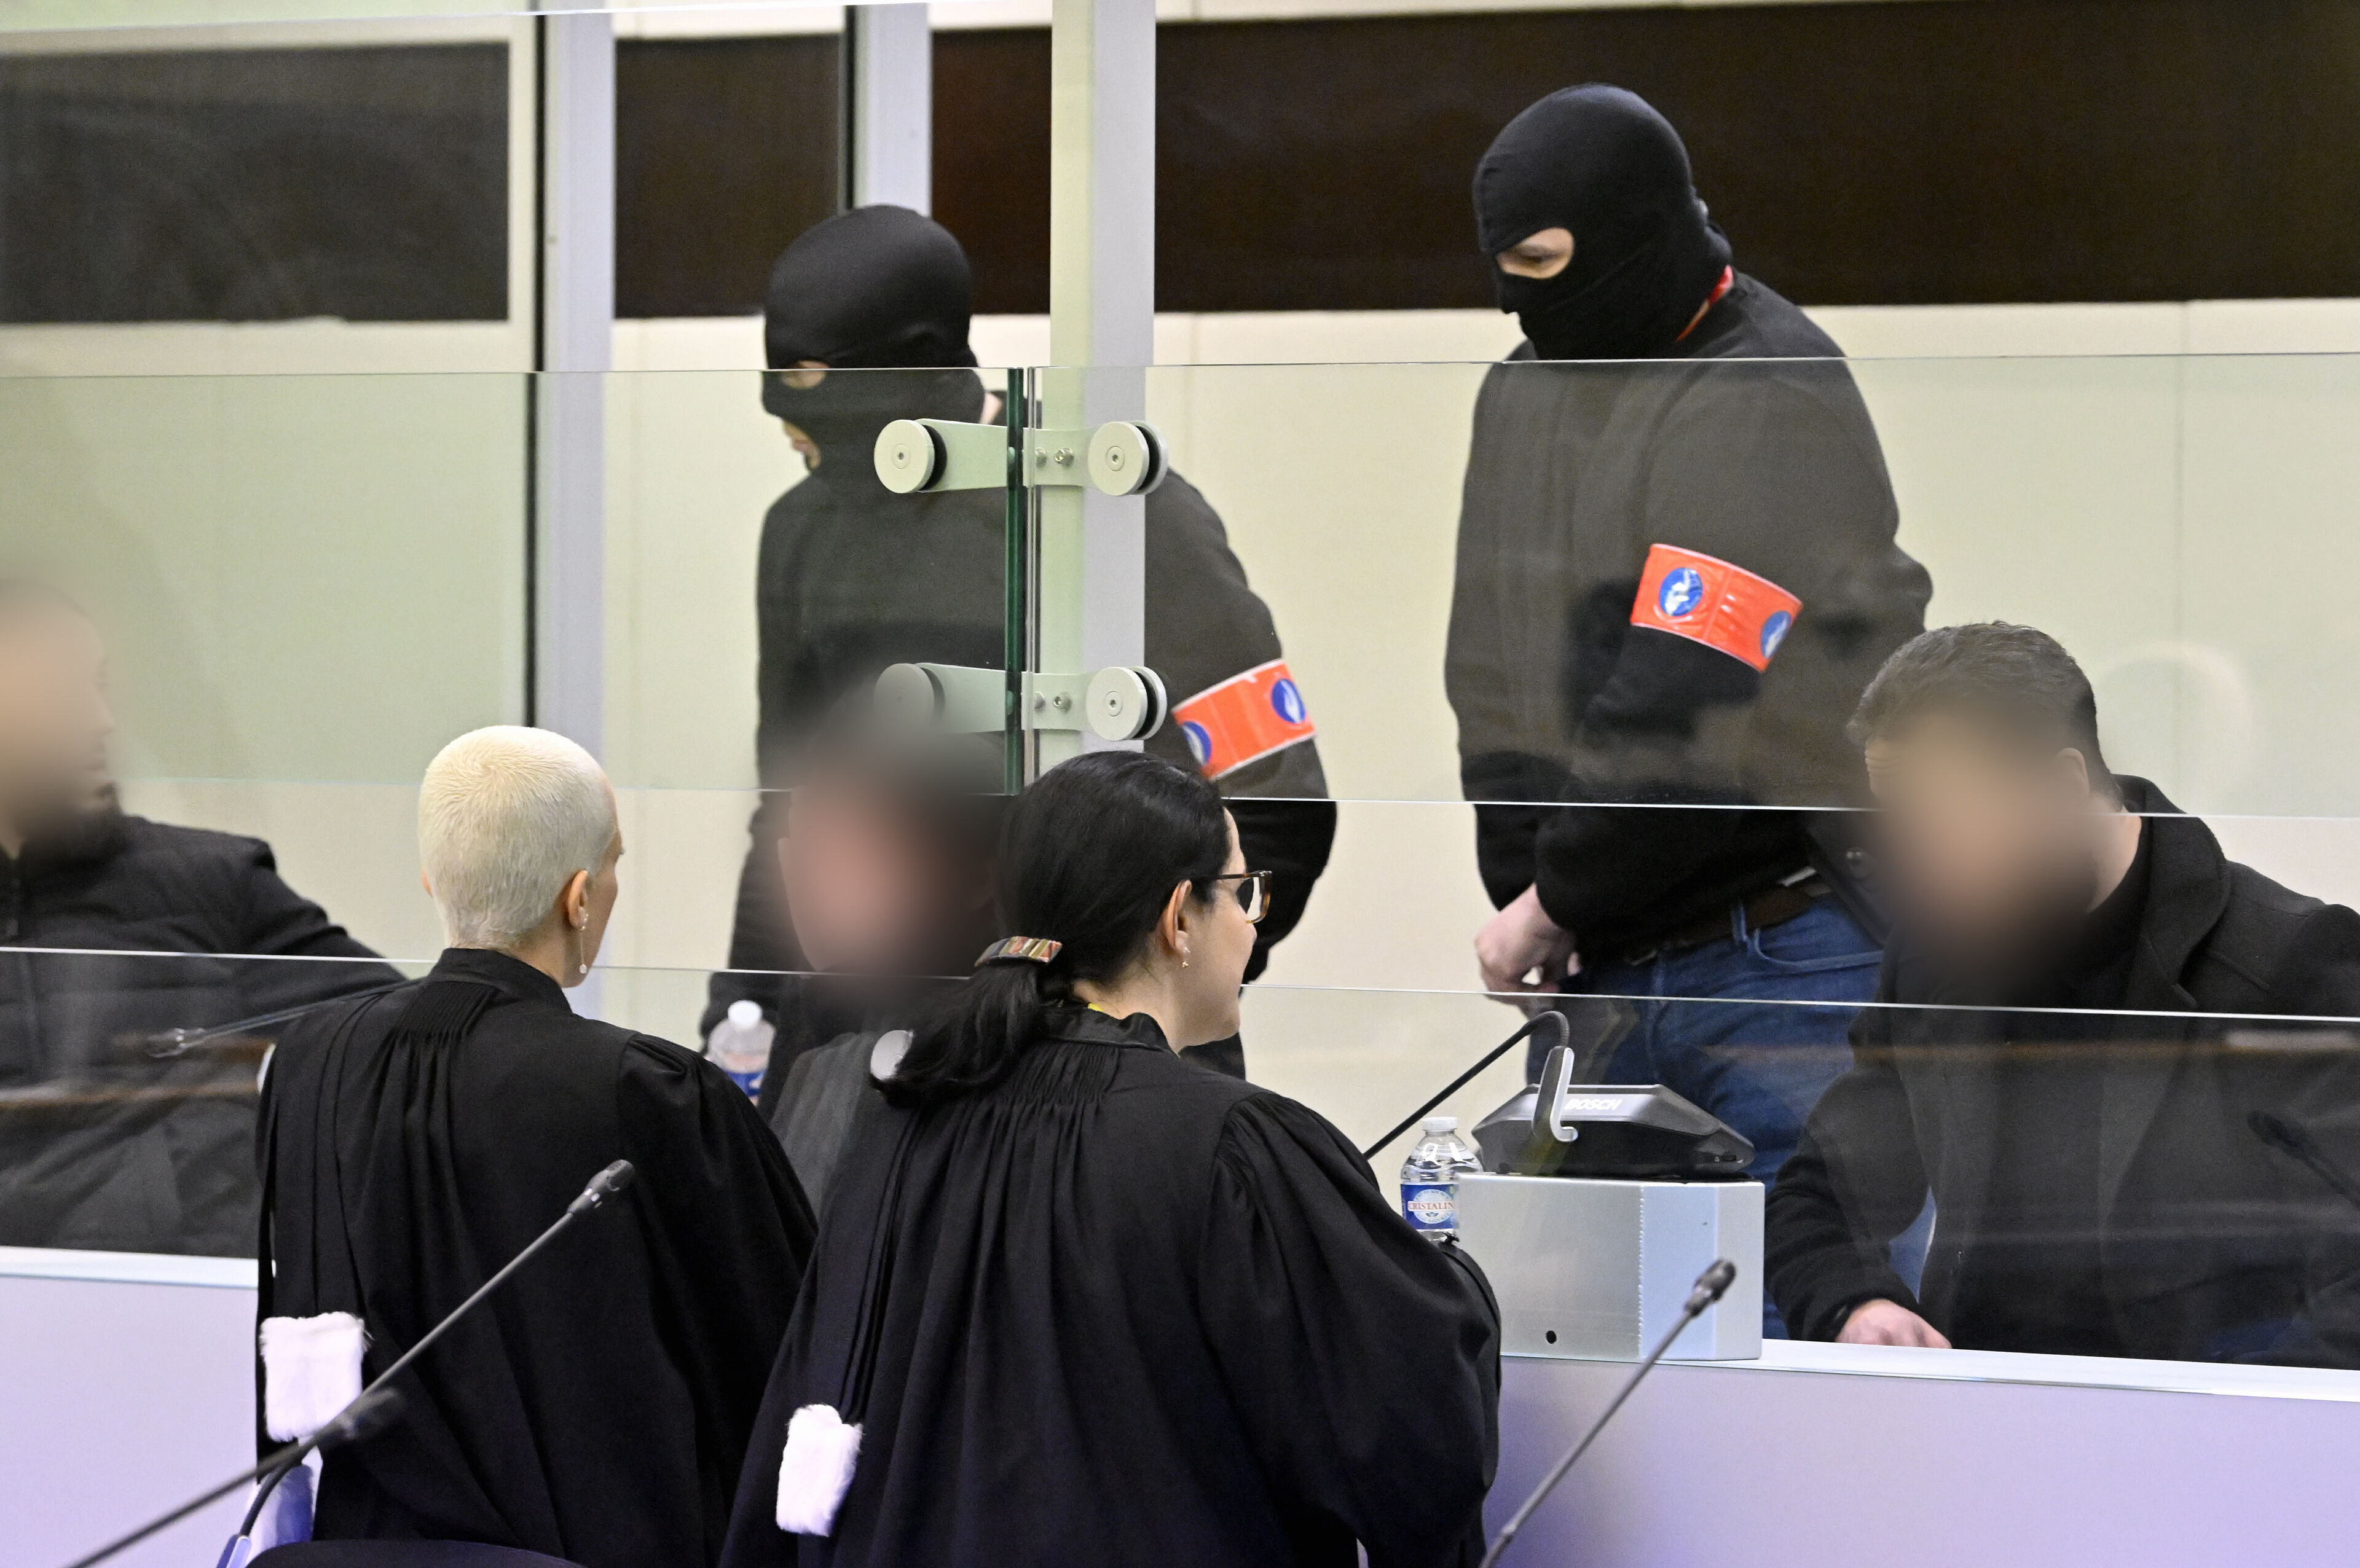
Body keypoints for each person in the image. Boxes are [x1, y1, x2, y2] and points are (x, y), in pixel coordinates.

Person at [718, 751, 1499, 1568]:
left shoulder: (900, 1125)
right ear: (1179, 918)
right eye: (1242, 893)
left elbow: (803, 1428)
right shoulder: (1230, 1147)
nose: (1251, 924)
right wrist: (1455, 1275)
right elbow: (1410, 1441)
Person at [705, 205, 1336, 1085]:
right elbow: (790, 816)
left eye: (815, 388)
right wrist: (751, 1010)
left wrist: (1130, 999)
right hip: (874, 1046)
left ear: (916, 366)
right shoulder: (803, 531)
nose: (791, 425)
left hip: (1095, 1056)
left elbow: (1278, 801)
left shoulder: (1115, 509)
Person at [1448, 85, 1932, 1202]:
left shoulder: (1766, 389)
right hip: (1597, 967)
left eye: (1547, 264)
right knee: (1580, 1297)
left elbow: (1690, 690)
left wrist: (1551, 903)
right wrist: (1532, 892)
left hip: (1782, 961)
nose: (1526, 304)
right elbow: (1491, 671)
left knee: (1811, 1291)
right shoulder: (1523, 394)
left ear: (1638, 232)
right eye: (1507, 270)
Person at [256, 726, 816, 1566]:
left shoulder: (308, 1062)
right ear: (579, 897)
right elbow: (777, 1357)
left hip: (363, 1545)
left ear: (431, 878)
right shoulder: (648, 1091)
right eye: (614, 864)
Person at [1766, 624, 2360, 1365]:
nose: (1920, 867)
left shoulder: (2287, 960)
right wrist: (1858, 1304)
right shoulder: (1933, 956)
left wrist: (2216, 1421)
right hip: (1986, 1406)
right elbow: (1819, 1197)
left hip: (2213, 1415)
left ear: (2063, 784)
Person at [0, 579, 395, 1255]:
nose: (100, 720)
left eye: (97, 684)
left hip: (187, 1296)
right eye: (57, 691)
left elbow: (410, 1045)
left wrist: (211, 1143)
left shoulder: (210, 882)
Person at [760, 723, 1005, 1208]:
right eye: (812, 853)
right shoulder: (826, 999)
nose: (817, 886)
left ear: (978, 877)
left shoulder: (975, 1036)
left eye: (858, 857)